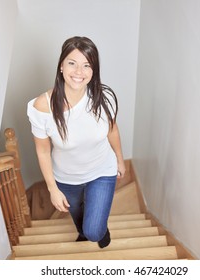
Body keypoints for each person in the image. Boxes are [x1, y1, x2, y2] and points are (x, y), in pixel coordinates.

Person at [27, 36, 126, 248]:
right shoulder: (42, 106)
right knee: (80, 222)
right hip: (66, 177)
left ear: (93, 70)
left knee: (93, 231)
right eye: (72, 63)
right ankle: (85, 228)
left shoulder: (104, 97)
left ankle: (98, 229)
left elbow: (113, 130)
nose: (79, 72)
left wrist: (120, 159)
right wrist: (53, 189)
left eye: (86, 65)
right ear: (61, 66)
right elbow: (43, 152)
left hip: (102, 170)